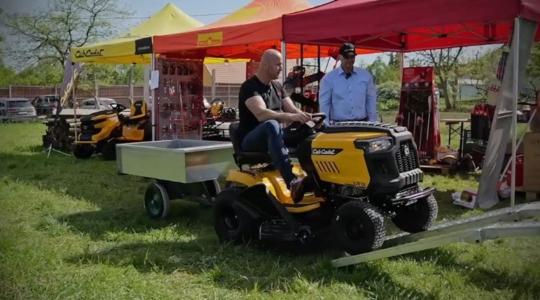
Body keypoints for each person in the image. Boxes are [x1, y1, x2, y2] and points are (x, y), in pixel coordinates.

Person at [238, 49, 311, 202]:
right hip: (252, 140)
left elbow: (292, 109)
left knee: (309, 129)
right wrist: (292, 116)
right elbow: (261, 114)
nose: (281, 68)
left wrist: (307, 118)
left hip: (276, 135)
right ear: (265, 65)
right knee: (271, 124)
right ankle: (291, 181)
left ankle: (317, 178)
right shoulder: (249, 87)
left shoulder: (277, 86)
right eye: (278, 65)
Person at [319, 42, 377, 124]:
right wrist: (325, 126)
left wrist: (373, 122)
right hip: (338, 126)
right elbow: (324, 104)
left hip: (362, 124)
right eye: (346, 57)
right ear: (340, 57)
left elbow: (371, 101)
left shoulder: (365, 76)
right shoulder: (328, 79)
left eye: (352, 57)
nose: (350, 60)